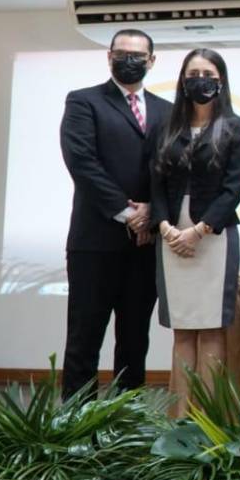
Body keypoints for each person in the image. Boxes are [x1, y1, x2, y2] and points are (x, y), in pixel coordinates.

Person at [59, 28, 171, 398]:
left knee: (135, 341)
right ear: (109, 57)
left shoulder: (167, 111)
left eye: (138, 55)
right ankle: (76, 427)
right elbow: (82, 163)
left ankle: (127, 426)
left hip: (146, 244)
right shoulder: (83, 101)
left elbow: (171, 170)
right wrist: (127, 213)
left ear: (152, 61)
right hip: (95, 242)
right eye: (121, 53)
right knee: (84, 338)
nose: (129, 60)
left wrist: (154, 211)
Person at [150, 48, 240, 415]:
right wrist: (164, 226)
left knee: (210, 329)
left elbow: (234, 188)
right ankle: (180, 418)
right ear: (182, 80)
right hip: (170, 234)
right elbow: (156, 184)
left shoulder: (237, 127)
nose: (200, 79)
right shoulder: (166, 126)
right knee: (183, 330)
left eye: (208, 73)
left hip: (214, 236)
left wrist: (199, 231)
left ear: (220, 81)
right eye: (193, 73)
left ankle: (207, 418)